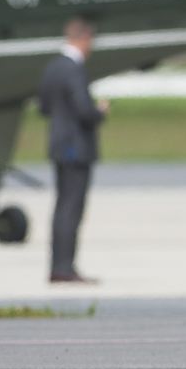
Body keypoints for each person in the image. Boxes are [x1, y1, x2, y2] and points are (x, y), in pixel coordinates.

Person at [38, 16, 110, 284]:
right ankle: (64, 268)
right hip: (75, 147)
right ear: (84, 39)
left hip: (58, 144)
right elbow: (83, 109)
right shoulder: (74, 68)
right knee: (71, 207)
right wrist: (99, 112)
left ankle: (59, 265)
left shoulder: (53, 67)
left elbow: (44, 106)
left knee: (61, 207)